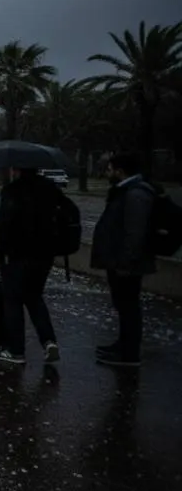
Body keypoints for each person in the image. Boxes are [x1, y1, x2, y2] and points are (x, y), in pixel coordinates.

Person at [0, 167, 62, 365]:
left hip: (17, 254)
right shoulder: (50, 188)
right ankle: (48, 341)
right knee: (34, 297)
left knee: (13, 300)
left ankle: (16, 350)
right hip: (44, 254)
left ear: (16, 169)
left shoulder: (12, 191)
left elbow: (4, 225)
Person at [90, 153, 156, 367]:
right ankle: (123, 345)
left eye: (110, 169)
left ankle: (129, 353)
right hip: (120, 261)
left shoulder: (136, 194)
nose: (107, 173)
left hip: (127, 264)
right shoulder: (126, 191)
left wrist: (126, 262)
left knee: (129, 307)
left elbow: (134, 232)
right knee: (123, 305)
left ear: (120, 171)